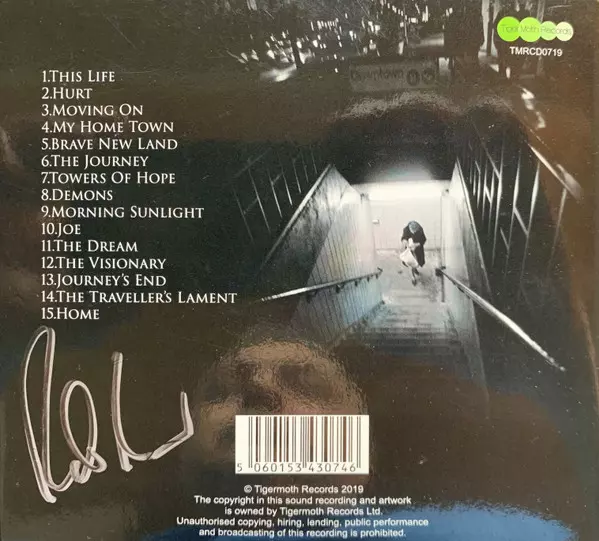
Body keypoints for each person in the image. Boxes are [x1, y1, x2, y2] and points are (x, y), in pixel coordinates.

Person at [401, 220, 427, 285]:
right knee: (410, 263)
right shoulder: (406, 229)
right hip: (409, 250)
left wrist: (416, 244)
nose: (414, 232)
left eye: (415, 231)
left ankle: (415, 269)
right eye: (413, 231)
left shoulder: (420, 230)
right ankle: (413, 277)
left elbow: (423, 240)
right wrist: (405, 242)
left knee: (417, 261)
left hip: (417, 249)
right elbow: (403, 238)